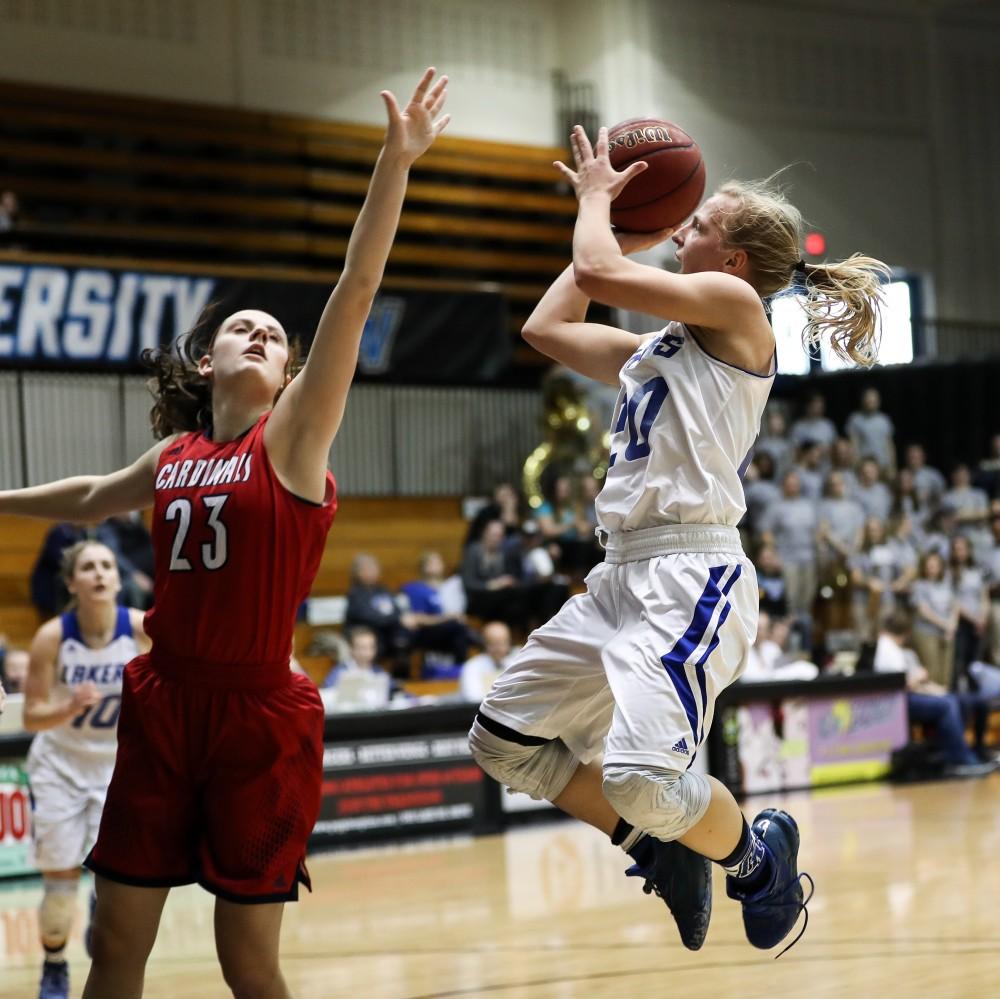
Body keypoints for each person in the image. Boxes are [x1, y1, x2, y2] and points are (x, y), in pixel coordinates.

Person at [0, 68, 449, 999]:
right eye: (241, 328)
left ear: (290, 375)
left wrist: (394, 164)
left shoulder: (292, 440)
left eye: (275, 335)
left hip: (256, 716)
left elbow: (356, 291)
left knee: (247, 960)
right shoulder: (175, 450)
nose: (259, 334)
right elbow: (89, 494)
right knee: (113, 943)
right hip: (164, 701)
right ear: (207, 362)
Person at [469, 126, 888, 956]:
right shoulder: (654, 351)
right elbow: (547, 329)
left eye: (699, 224)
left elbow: (596, 274)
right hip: (620, 572)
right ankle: (657, 845)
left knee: (643, 778)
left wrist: (598, 206)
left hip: (692, 571)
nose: (683, 226)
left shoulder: (740, 313)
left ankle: (755, 859)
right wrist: (622, 232)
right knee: (502, 738)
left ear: (732, 260)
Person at [23, 542, 150, 999]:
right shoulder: (52, 637)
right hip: (60, 766)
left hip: (117, 769)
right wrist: (67, 707)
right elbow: (31, 717)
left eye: (107, 566)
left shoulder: (140, 629)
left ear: (118, 579)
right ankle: (54, 966)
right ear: (72, 583)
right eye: (88, 567)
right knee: (59, 891)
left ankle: (100, 915)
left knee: (115, 887)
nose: (99, 573)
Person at [875, 611, 994, 776]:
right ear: (905, 632)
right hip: (900, 701)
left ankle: (951, 753)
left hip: (911, 695)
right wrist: (921, 678)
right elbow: (900, 685)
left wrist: (936, 689)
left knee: (954, 700)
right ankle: (960, 758)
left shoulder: (896, 649)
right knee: (947, 704)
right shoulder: (887, 650)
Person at [910, 551, 958, 690]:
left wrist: (952, 625)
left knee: (946, 673)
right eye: (929, 565)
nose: (932, 568)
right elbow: (924, 611)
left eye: (935, 565)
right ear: (924, 567)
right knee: (933, 671)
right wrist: (946, 625)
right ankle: (934, 703)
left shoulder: (946, 584)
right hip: (926, 633)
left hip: (947, 633)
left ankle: (945, 701)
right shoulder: (919, 585)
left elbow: (955, 605)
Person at [321, 626, 392, 711]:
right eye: (363, 648)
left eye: (371, 647)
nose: (367, 652)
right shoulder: (339, 671)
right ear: (352, 649)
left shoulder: (378, 671)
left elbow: (395, 691)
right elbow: (326, 695)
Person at [459, 621, 516, 703]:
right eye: (494, 643)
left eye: (503, 643)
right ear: (485, 644)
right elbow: (472, 698)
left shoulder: (515, 664)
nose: (499, 648)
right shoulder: (472, 666)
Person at [846, 387, 895, 474]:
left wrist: (892, 466)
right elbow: (853, 445)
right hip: (864, 467)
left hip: (883, 466)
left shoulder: (884, 420)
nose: (871, 401)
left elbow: (889, 445)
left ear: (878, 401)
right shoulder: (855, 419)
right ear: (863, 400)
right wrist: (855, 465)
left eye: (873, 398)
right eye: (868, 398)